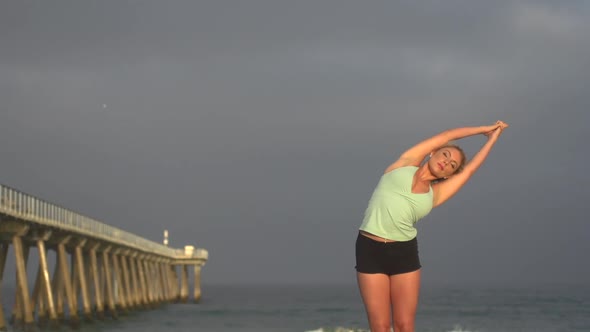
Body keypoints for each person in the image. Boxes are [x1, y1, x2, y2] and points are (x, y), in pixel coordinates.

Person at [355, 121, 509, 332]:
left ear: (448, 175)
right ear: (433, 152)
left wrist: (493, 139)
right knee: (380, 326)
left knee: (404, 326)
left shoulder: (435, 194)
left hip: (403, 253)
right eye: (446, 155)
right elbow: (447, 135)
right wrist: (483, 130)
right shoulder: (404, 164)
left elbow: (470, 169)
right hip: (369, 249)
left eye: (453, 165)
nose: (447, 162)